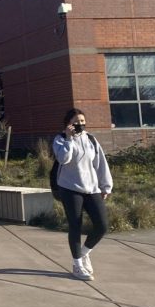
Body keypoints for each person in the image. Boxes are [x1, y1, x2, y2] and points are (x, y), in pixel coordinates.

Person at [52, 108, 113, 281]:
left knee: (102, 226)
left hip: (91, 188)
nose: (80, 124)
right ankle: (77, 265)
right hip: (70, 189)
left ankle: (85, 253)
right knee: (75, 226)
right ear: (68, 124)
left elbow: (100, 163)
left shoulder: (91, 139)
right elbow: (64, 159)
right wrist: (69, 139)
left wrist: (105, 186)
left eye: (82, 121)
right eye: (76, 122)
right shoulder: (60, 139)